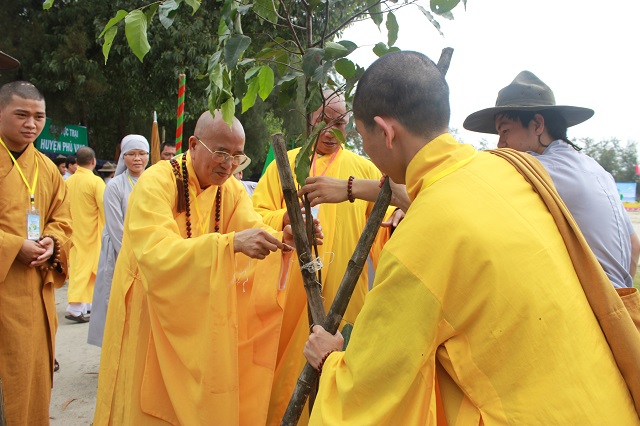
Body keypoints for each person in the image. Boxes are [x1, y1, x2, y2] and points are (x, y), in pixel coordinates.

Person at [302, 51, 638, 424]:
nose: (366, 150)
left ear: (386, 132)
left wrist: (331, 359)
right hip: (608, 402)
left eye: (364, 137)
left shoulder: (422, 238)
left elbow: (369, 386)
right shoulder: (512, 172)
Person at [94, 110, 321, 425]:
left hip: (198, 313)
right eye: (220, 153)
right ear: (193, 144)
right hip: (153, 311)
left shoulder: (230, 190)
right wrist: (228, 246)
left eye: (237, 157)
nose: (228, 165)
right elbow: (156, 253)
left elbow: (249, 226)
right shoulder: (156, 182)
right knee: (145, 405)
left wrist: (282, 235)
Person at [252, 90, 393, 425]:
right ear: (310, 120)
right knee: (287, 375)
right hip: (293, 297)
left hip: (347, 292)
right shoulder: (287, 164)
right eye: (323, 121)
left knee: (341, 373)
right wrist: (285, 222)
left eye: (339, 122)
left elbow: (385, 233)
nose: (330, 130)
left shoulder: (364, 171)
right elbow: (255, 216)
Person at [463, 71, 640, 288]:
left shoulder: (537, 168)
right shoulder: (596, 169)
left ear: (537, 125)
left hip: (589, 311)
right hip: (622, 303)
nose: (500, 143)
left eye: (505, 130)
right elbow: (634, 245)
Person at [0, 80, 72, 424]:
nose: (31, 123)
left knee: (32, 377)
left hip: (34, 290)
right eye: (21, 115)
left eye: (39, 116)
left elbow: (63, 219)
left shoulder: (46, 167)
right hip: (3, 287)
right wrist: (13, 246)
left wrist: (52, 242)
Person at [87, 135, 149, 347]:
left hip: (147, 253)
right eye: (131, 154)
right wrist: (131, 257)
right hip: (120, 252)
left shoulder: (153, 182)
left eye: (142, 153)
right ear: (123, 157)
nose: (137, 159)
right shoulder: (114, 186)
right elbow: (116, 227)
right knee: (116, 302)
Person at [65, 146, 105, 322]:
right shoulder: (96, 182)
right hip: (90, 232)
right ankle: (74, 307)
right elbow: (105, 208)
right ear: (93, 161)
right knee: (85, 268)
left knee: (80, 268)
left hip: (72, 230)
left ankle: (85, 304)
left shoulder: (67, 182)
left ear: (76, 163)